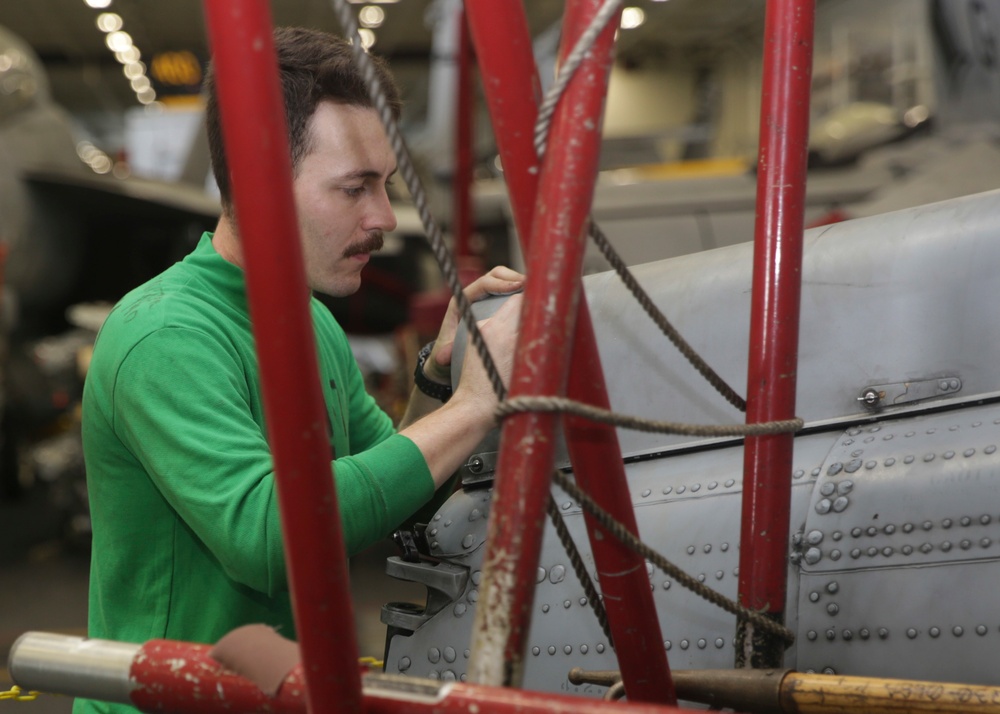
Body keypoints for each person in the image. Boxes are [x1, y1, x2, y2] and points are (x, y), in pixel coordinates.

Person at [76, 26, 523, 713]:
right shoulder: (165, 334)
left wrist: (439, 377)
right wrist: (472, 407)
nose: (382, 217)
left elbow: (397, 491)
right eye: (354, 189)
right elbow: (271, 536)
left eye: (386, 185)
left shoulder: (306, 320)